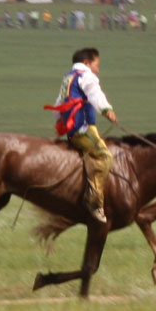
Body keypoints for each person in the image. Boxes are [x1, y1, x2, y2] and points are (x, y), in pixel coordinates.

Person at [46, 48, 116, 224]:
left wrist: (60, 122)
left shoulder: (68, 77)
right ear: (87, 63)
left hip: (72, 129)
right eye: (96, 65)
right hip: (83, 128)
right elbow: (95, 93)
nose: (98, 69)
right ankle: (94, 201)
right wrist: (106, 109)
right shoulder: (86, 75)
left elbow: (58, 103)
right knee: (105, 156)